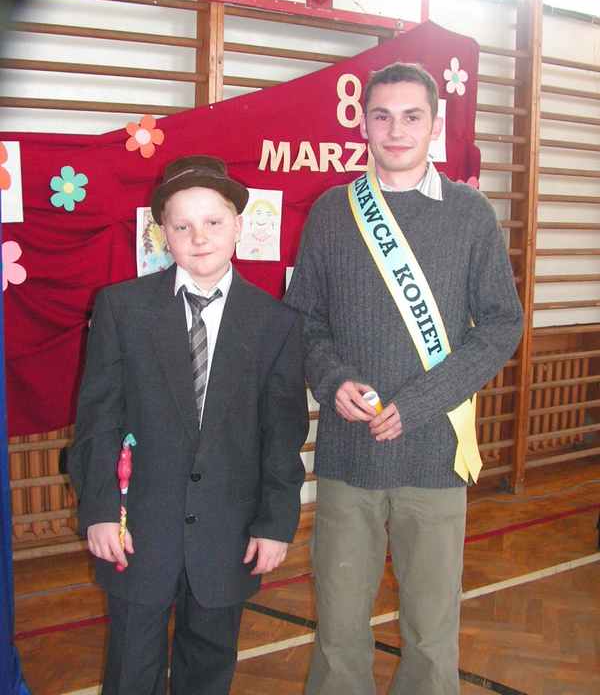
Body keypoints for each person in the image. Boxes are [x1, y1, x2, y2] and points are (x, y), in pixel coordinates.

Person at [285, 63, 523, 695]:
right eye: (382, 116)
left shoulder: (470, 214)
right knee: (338, 629)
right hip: (349, 452)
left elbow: (503, 323)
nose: (396, 130)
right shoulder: (332, 212)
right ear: (363, 124)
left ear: (434, 125)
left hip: (434, 452)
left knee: (431, 631)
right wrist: (332, 378)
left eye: (412, 116)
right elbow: (303, 320)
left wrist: (419, 403)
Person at [68, 155, 309, 695]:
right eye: (182, 226)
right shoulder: (122, 309)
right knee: (131, 667)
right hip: (136, 527)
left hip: (229, 532)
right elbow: (98, 419)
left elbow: (282, 436)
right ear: (163, 234)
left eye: (213, 222)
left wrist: (275, 522)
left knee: (208, 665)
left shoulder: (275, 323)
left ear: (238, 226)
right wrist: (101, 510)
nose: (199, 238)